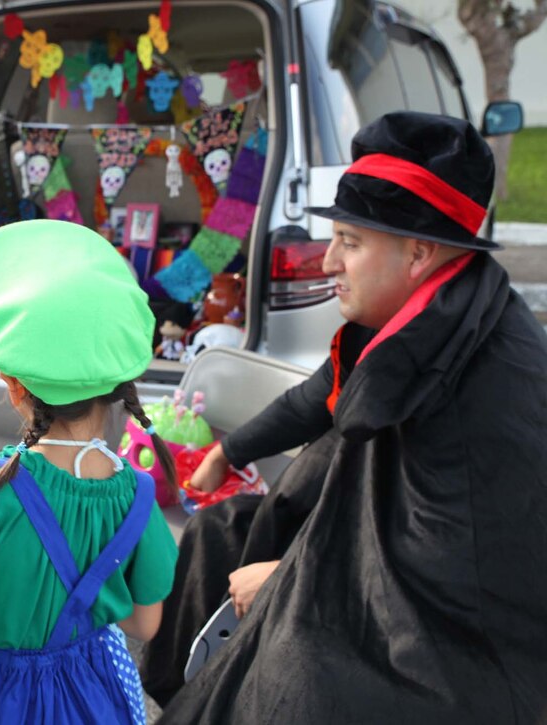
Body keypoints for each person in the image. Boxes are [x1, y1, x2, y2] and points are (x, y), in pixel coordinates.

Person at [146, 111, 547, 723]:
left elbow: (442, 580)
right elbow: (317, 398)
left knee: (291, 678)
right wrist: (229, 453)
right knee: (214, 535)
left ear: (418, 253)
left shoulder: (489, 394)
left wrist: (283, 581)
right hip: (371, 552)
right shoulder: (431, 312)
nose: (327, 262)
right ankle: (174, 691)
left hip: (456, 654)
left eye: (349, 243)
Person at [0, 219, 180, 724]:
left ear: (15, 387)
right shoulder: (139, 497)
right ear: (119, 382)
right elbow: (144, 624)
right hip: (96, 692)